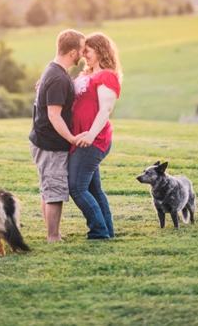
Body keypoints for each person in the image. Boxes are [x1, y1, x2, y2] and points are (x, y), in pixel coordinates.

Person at [29, 28, 85, 243]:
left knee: (48, 188)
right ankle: (53, 237)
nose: (82, 54)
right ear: (72, 52)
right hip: (50, 144)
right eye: (81, 49)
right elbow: (54, 115)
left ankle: (54, 234)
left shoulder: (53, 71)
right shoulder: (58, 78)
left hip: (42, 140)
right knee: (54, 191)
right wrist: (71, 138)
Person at [68, 31, 122, 240]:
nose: (84, 56)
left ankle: (99, 232)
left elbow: (105, 110)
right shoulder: (86, 75)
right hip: (83, 138)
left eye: (87, 51)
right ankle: (107, 230)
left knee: (77, 187)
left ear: (99, 50)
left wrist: (91, 134)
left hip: (93, 139)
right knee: (93, 189)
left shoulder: (105, 75)